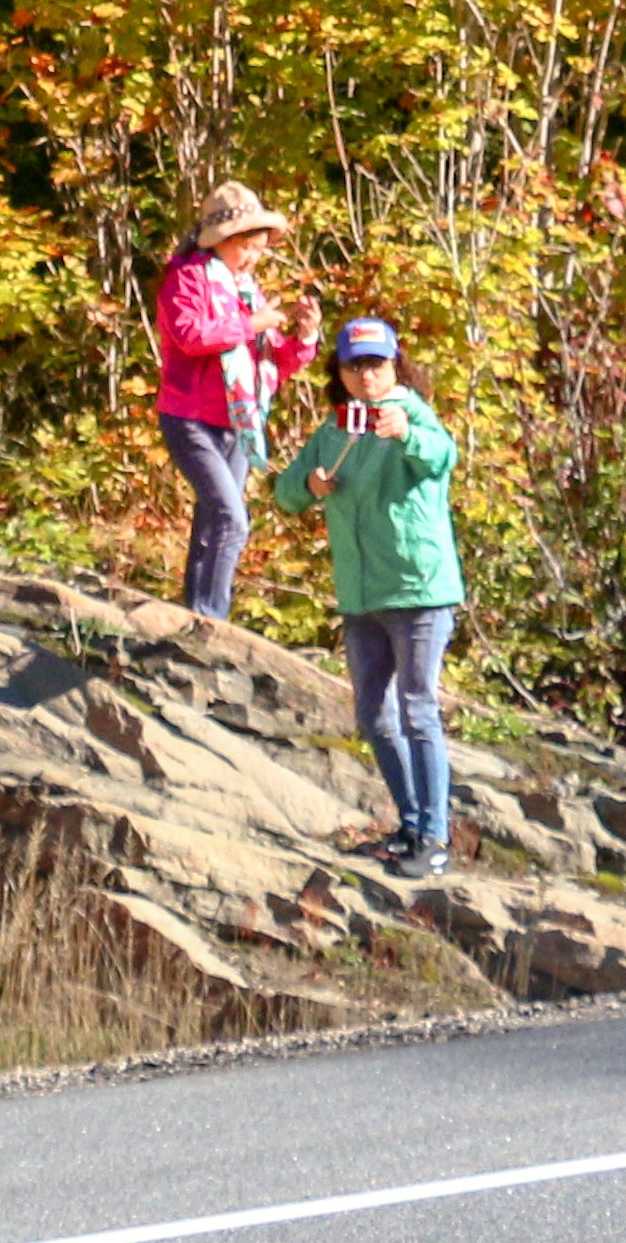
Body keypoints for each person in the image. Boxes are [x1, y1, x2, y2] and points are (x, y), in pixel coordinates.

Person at [269, 317, 464, 876]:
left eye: (376, 364)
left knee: (419, 709)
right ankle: (409, 826)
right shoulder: (333, 429)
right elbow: (285, 492)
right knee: (373, 716)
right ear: (341, 372)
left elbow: (442, 456)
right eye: (355, 366)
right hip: (360, 596)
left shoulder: (412, 413)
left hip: (418, 589)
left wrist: (405, 431)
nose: (367, 376)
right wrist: (309, 487)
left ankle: (435, 837)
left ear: (394, 365)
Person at [147, 183, 311, 624]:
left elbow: (271, 361)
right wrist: (248, 324)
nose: (255, 257)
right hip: (190, 417)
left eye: (260, 248)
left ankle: (195, 615)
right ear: (223, 240)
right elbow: (190, 336)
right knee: (231, 519)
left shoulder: (247, 290)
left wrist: (306, 337)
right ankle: (211, 617)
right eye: (247, 246)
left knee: (213, 521)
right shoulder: (186, 279)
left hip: (239, 420)